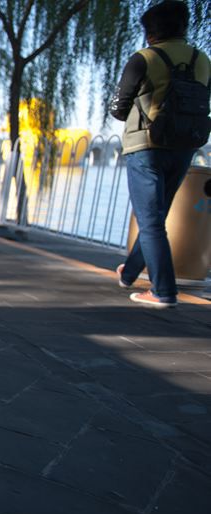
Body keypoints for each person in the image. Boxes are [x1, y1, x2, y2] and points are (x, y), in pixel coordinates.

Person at [110, 0, 210, 308]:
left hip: (146, 148)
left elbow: (117, 108)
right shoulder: (202, 59)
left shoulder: (144, 58)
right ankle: (130, 273)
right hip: (185, 146)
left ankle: (163, 291)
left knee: (150, 220)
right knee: (156, 215)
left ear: (150, 32)